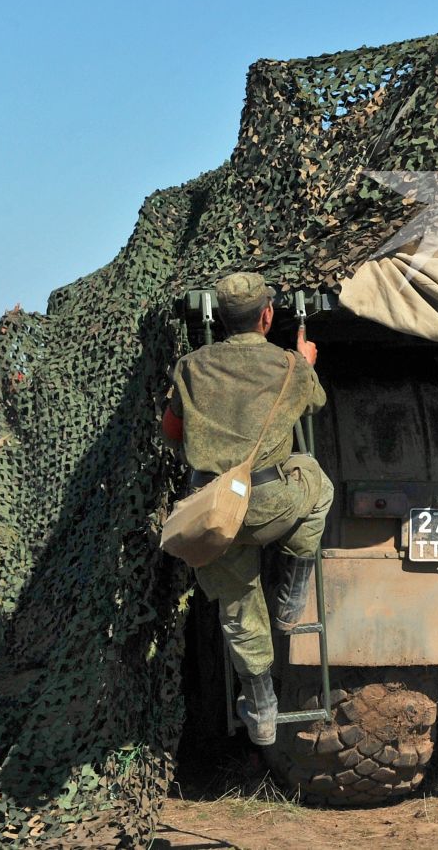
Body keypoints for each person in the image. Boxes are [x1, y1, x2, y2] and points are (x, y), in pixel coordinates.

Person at [162, 271, 333, 747]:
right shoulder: (289, 366)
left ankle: (260, 710)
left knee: (238, 610)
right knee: (316, 482)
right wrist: (306, 362)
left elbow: (171, 431)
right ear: (266, 315)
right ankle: (293, 598)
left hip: (214, 515)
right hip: (269, 507)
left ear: (218, 316)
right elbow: (314, 403)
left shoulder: (190, 366)